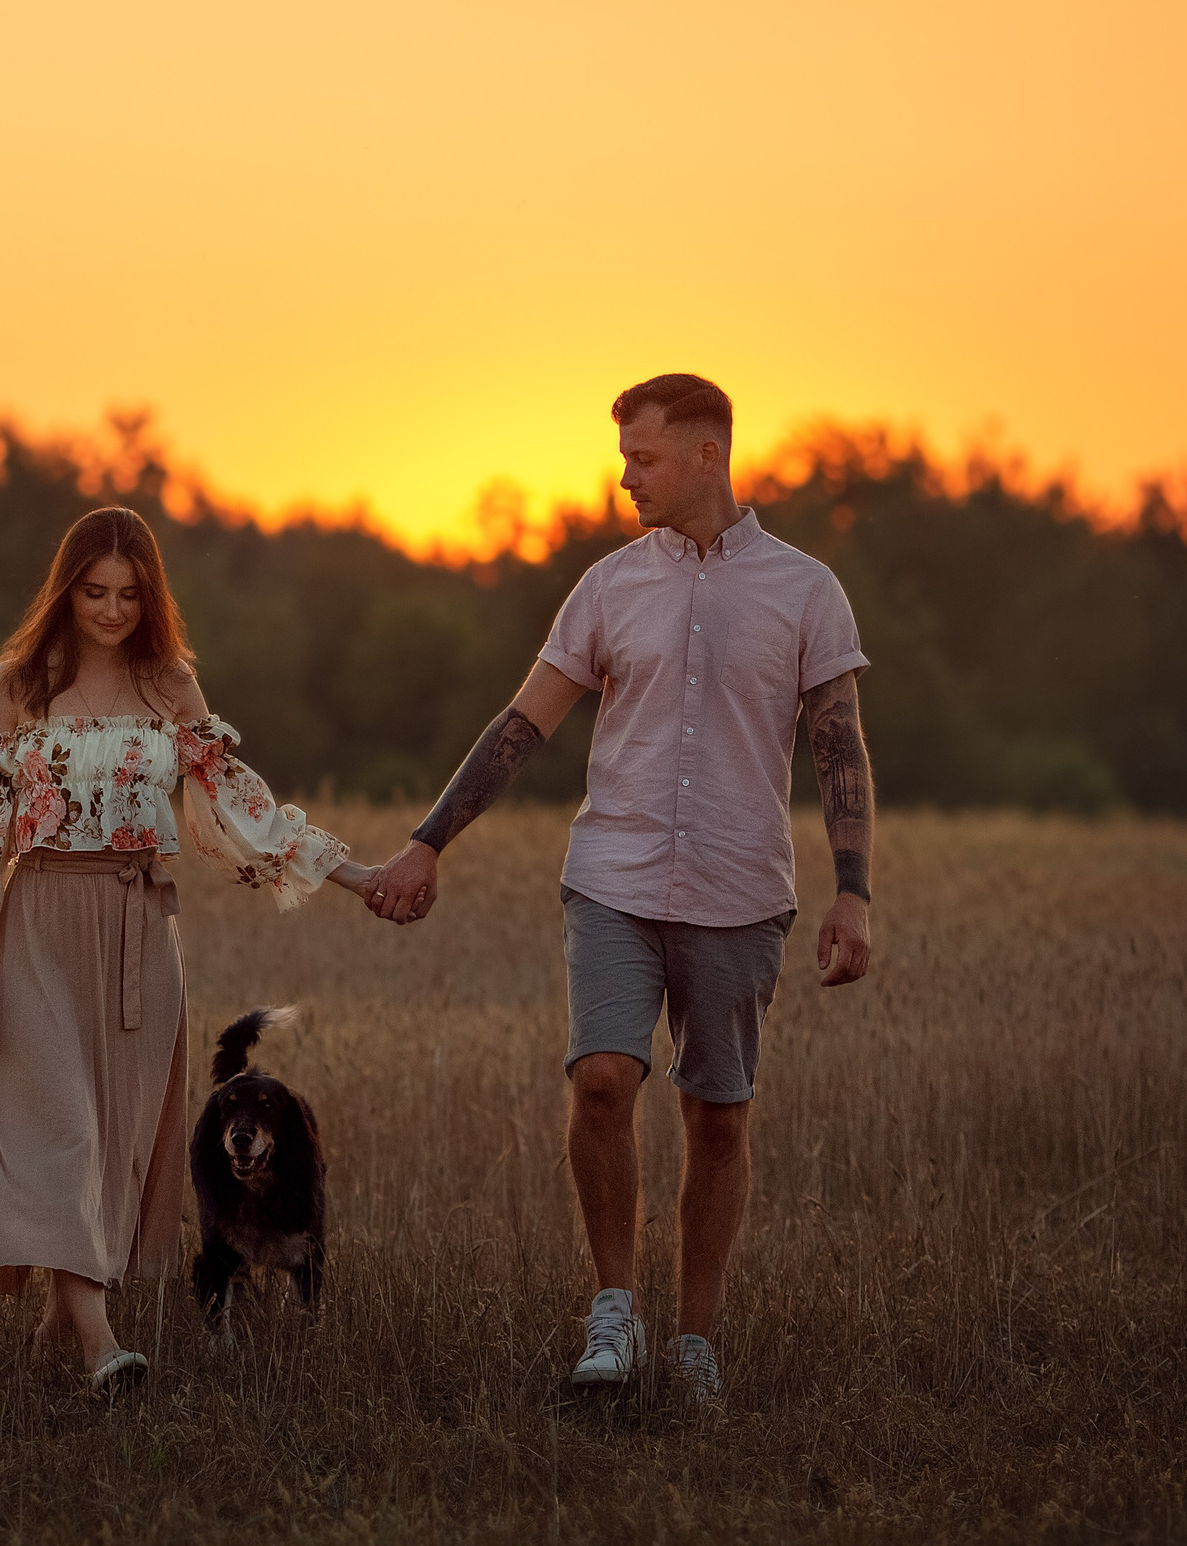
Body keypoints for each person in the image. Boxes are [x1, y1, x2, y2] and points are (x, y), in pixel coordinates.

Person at [365, 373, 875, 1411]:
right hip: (612, 877)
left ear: (706, 455)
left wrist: (853, 890)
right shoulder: (606, 587)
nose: (626, 478)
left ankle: (694, 1342)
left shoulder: (805, 589)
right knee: (601, 1078)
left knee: (716, 1117)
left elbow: (839, 747)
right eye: (623, 458)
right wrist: (427, 843)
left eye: (643, 458)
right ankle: (614, 1312)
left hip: (740, 889)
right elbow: (522, 725)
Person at [0, 506, 376, 1394]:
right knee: (62, 1135)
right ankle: (103, 1352)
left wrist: (357, 875)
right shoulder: (15, 684)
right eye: (94, 591)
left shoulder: (170, 684)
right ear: (66, 589)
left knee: (117, 1148)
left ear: (151, 596)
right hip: (41, 921)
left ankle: (54, 1340)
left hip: (138, 930)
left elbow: (238, 803)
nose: (111, 609)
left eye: (130, 594)